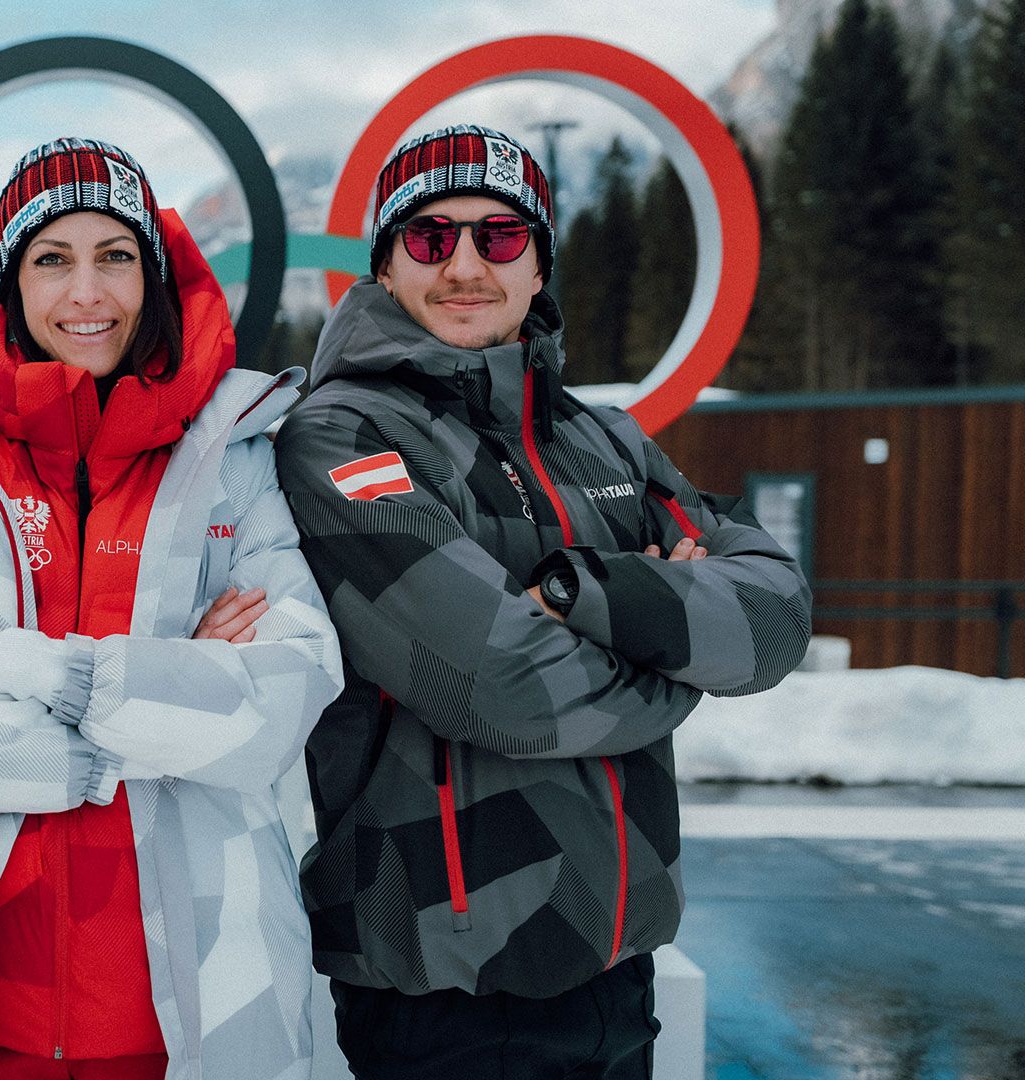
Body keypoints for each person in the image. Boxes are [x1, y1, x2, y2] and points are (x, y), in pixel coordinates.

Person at [273, 125, 812, 1078]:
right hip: (447, 984)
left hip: (616, 956)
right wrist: (678, 661)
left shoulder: (603, 439)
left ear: (538, 265)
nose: (466, 264)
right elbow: (505, 686)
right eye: (431, 238)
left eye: (501, 237)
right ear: (387, 265)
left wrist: (582, 591)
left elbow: (776, 619)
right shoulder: (342, 434)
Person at [0, 138, 343, 1080]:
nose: (87, 294)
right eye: (52, 259)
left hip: (187, 1009)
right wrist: (166, 687)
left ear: (153, 272)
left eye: (116, 257)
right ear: (9, 280)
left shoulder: (231, 455)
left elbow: (281, 699)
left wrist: (7, 669)